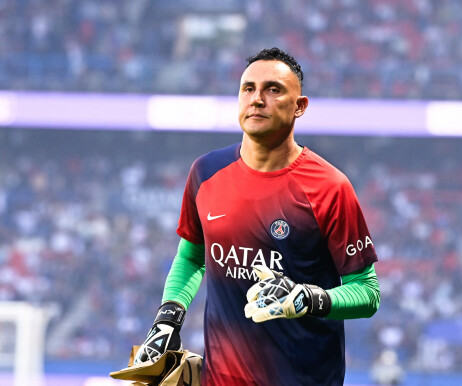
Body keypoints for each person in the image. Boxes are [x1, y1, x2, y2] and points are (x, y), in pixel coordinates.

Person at [133, 47, 381, 385]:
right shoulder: (205, 172)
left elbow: (366, 293)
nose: (257, 99)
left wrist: (308, 297)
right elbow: (191, 257)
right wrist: (168, 317)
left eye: (273, 89)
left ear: (300, 106)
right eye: (248, 88)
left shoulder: (330, 187)